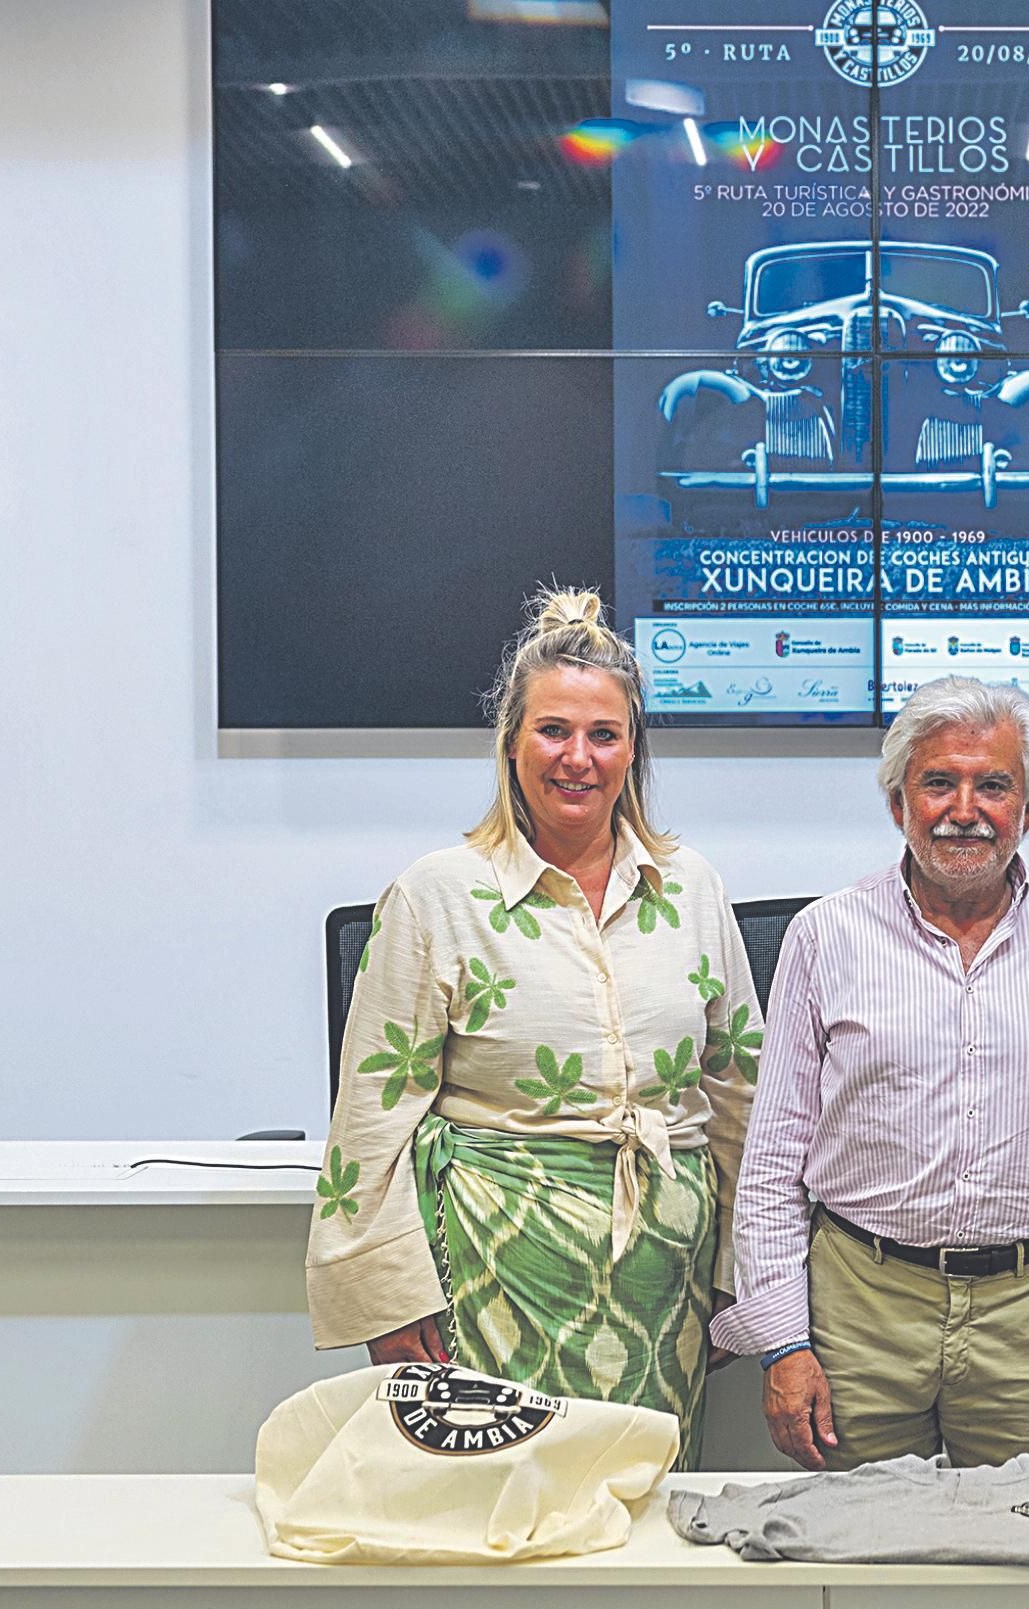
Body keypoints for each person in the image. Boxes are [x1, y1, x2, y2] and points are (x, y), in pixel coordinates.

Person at [305, 587, 763, 1468]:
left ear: (633, 749)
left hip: (660, 1285)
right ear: (511, 742)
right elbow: (369, 1119)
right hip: (490, 1273)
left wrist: (744, 1278)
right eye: (553, 730)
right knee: (497, 1524)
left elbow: (741, 1097)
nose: (578, 758)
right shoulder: (437, 894)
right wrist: (386, 1298)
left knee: (638, 1527)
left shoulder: (692, 888)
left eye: (604, 734)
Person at [713, 676, 1029, 1469]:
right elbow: (770, 1162)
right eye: (938, 782)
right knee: (862, 1556)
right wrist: (782, 1343)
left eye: (993, 785)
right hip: (858, 1310)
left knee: (1025, 1561)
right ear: (898, 803)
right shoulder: (823, 936)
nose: (963, 809)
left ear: (1028, 810)